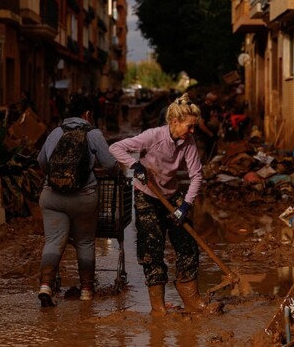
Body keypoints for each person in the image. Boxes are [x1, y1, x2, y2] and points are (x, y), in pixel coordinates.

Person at [109, 93, 207, 316]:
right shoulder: (152, 137)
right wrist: (136, 166)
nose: (192, 131)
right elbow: (116, 148)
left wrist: (186, 205)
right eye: (189, 126)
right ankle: (158, 308)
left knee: (187, 244)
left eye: (194, 127)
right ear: (174, 122)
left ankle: (191, 299)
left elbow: (197, 176)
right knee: (152, 250)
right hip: (146, 196)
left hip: (171, 196)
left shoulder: (188, 142)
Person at [36, 95, 117, 307]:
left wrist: (57, 178)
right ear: (88, 114)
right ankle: (86, 291)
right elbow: (109, 164)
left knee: (53, 241)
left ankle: (45, 285)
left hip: (52, 196)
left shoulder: (55, 132)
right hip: (83, 198)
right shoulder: (93, 133)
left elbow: (41, 161)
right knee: (85, 242)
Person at [195, 92, 221, 162]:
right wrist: (211, 134)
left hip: (212, 137)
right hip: (203, 137)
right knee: (201, 156)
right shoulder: (203, 108)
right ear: (208, 100)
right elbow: (201, 124)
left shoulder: (215, 107)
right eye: (213, 101)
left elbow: (218, 119)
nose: (215, 103)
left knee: (213, 156)